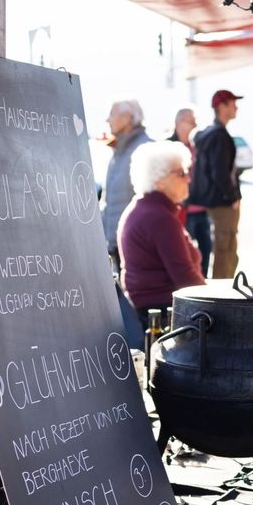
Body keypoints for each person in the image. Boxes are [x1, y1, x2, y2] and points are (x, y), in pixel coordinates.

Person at [118, 141, 205, 331]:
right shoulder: (159, 218)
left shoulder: (146, 208)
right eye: (181, 173)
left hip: (151, 311)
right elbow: (186, 278)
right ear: (159, 180)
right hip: (165, 316)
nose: (188, 179)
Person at [102, 99, 151, 344]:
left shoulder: (143, 149)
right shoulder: (117, 150)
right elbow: (110, 200)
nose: (107, 120)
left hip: (134, 243)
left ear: (128, 117)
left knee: (135, 306)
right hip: (114, 240)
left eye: (112, 114)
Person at [189, 89, 242, 278]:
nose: (236, 107)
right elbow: (219, 172)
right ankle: (223, 294)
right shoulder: (219, 135)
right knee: (225, 250)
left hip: (212, 201)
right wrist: (232, 196)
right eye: (232, 103)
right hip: (223, 203)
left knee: (222, 248)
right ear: (222, 106)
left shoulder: (210, 133)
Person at [168, 107, 212, 276]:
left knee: (205, 251)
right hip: (180, 211)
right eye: (191, 121)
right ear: (179, 123)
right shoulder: (168, 147)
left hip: (201, 208)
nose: (195, 125)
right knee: (183, 254)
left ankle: (204, 284)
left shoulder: (198, 145)